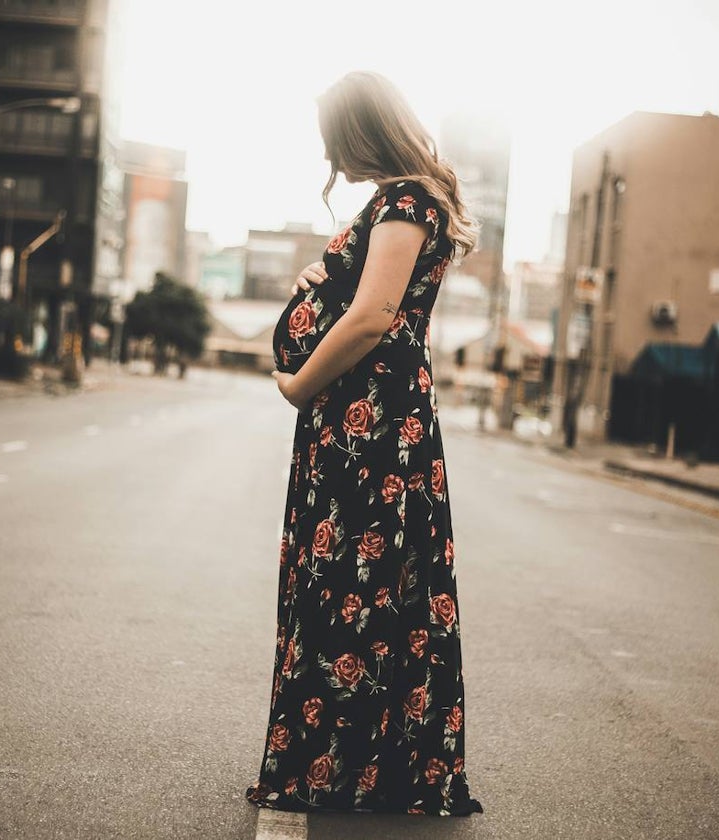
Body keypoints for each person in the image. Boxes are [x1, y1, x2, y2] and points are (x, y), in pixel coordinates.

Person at [246, 71, 483, 817]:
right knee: (363, 584)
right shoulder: (399, 202)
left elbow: (374, 316)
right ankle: (347, 764)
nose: (332, 161)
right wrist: (319, 280)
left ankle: (343, 770)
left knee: (354, 585)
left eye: (334, 144)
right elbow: (365, 301)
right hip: (363, 420)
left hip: (370, 426)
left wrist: (297, 385)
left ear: (359, 131)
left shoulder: (404, 201)